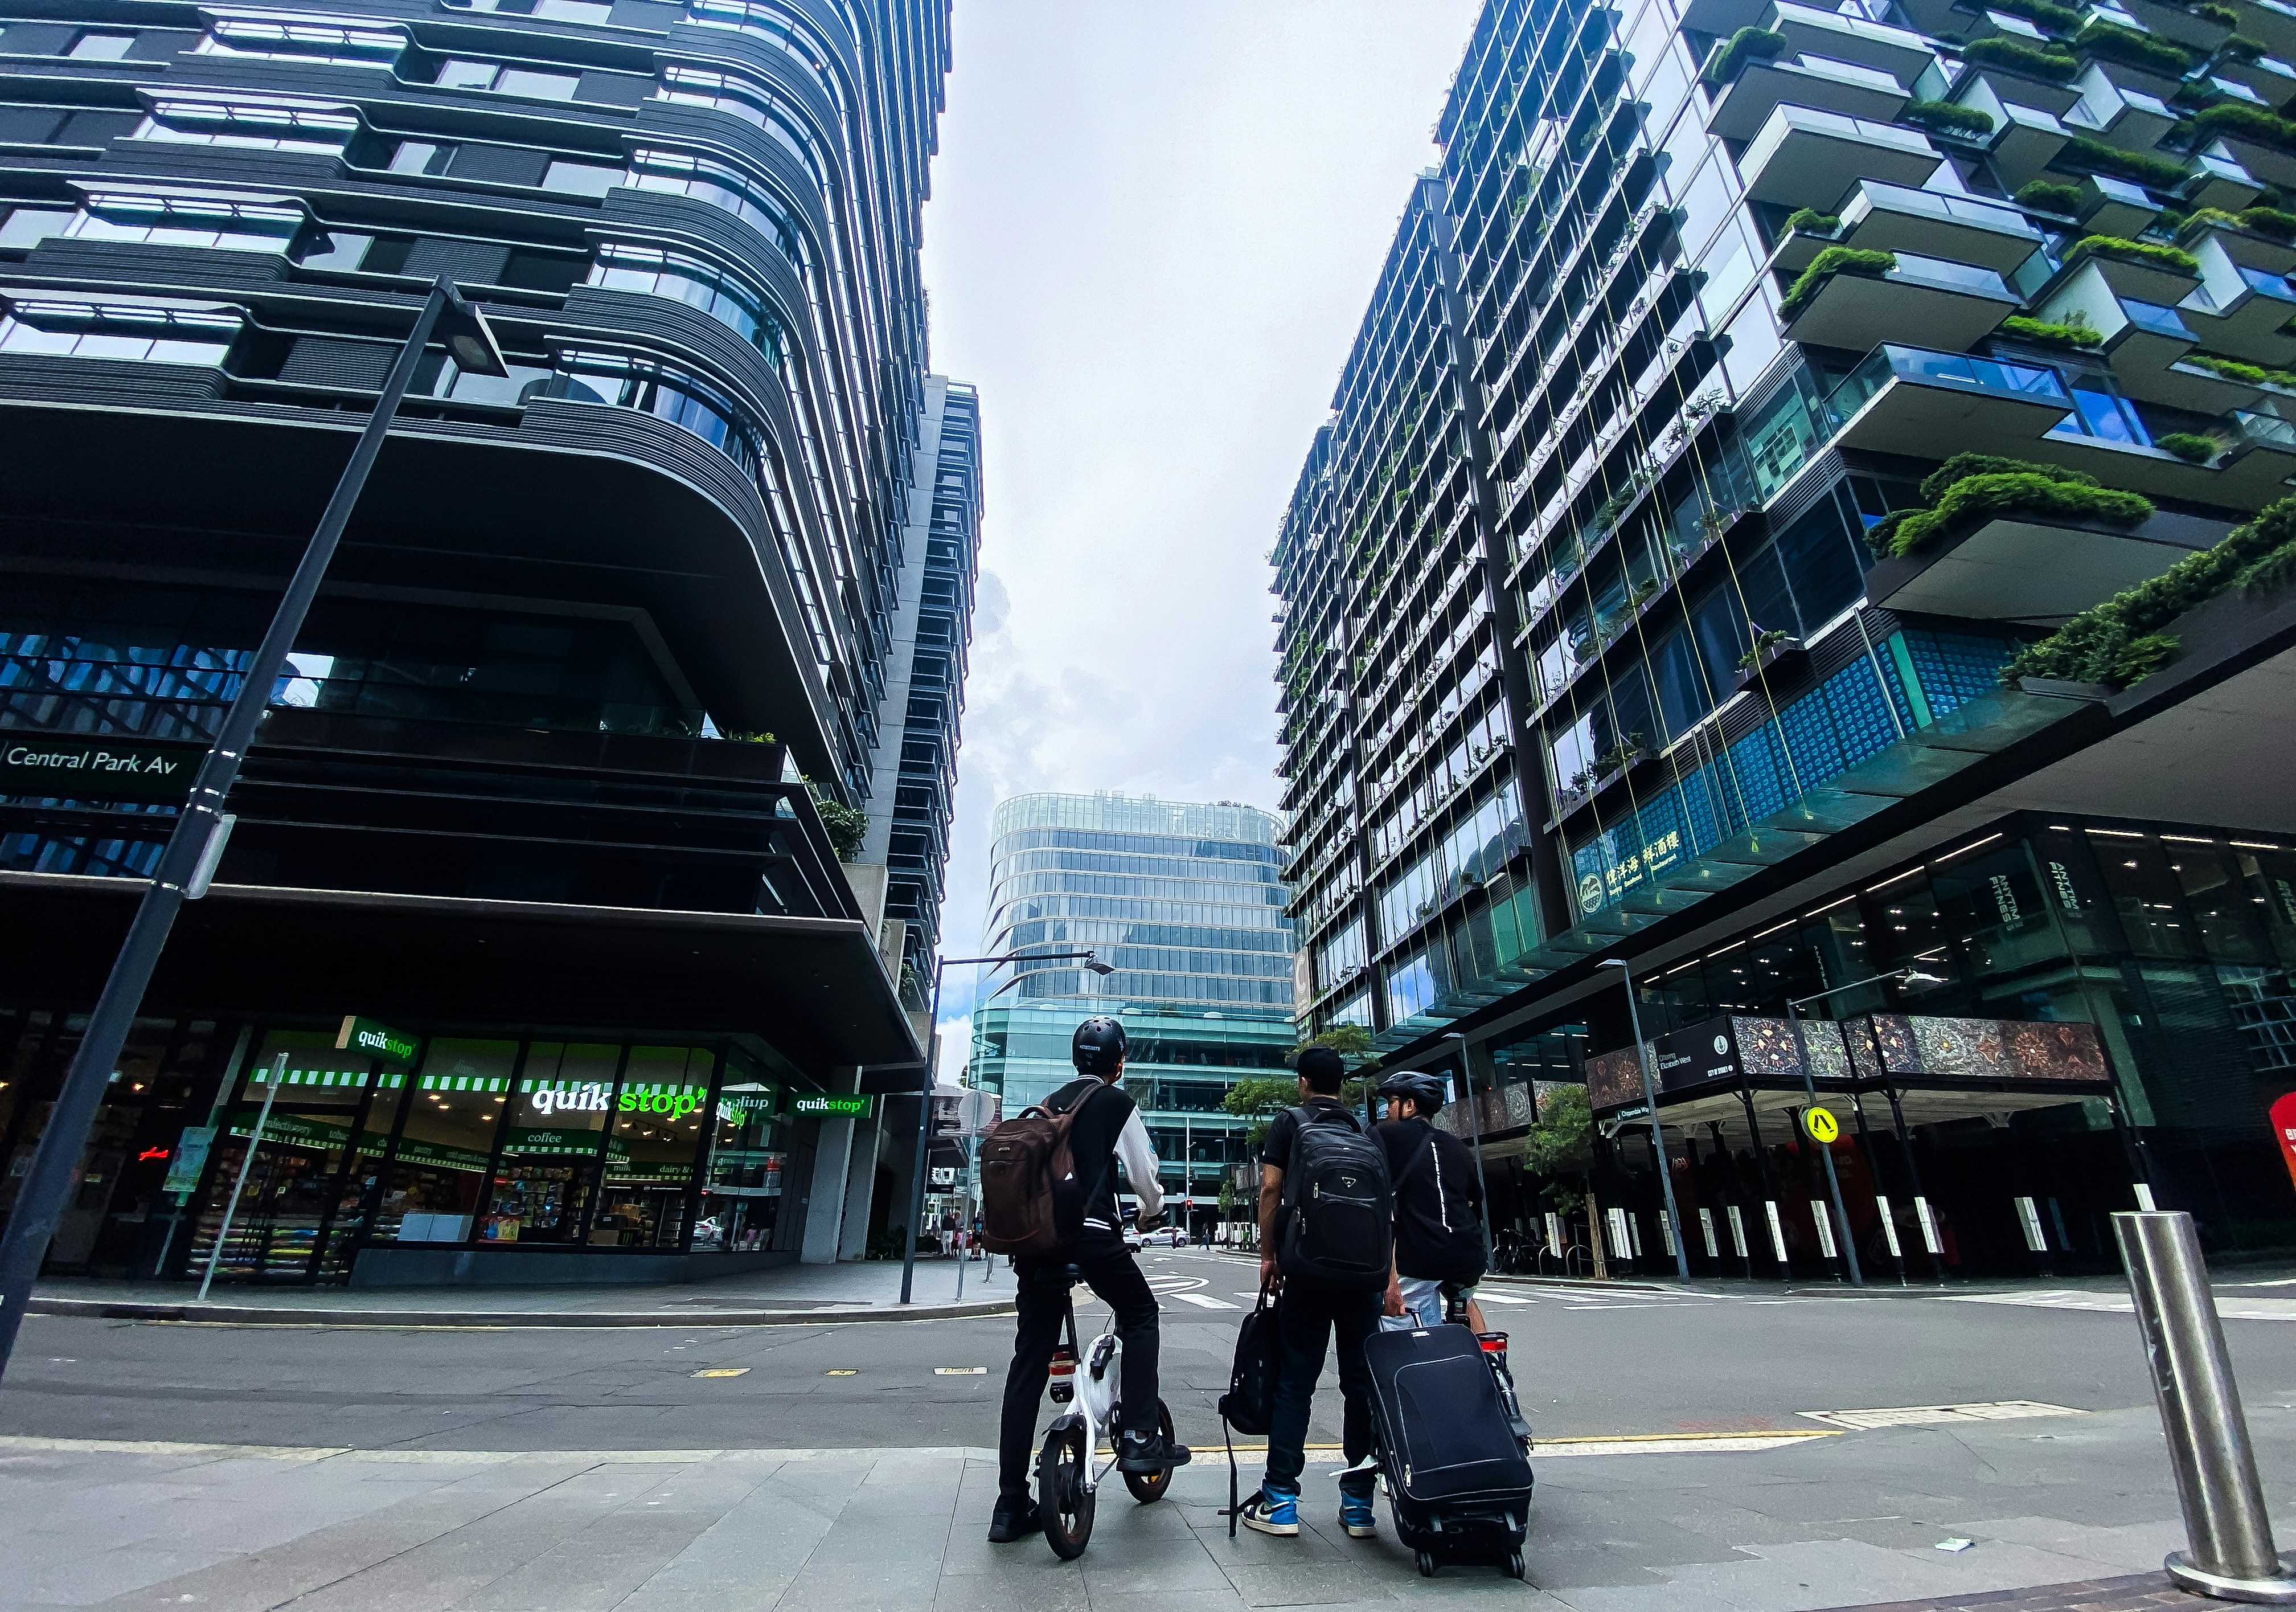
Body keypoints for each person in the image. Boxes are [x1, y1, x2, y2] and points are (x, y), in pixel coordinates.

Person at [988, 1015, 1192, 1544]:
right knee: (1142, 1312)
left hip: (1037, 1245)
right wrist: (1151, 1213)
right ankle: (1143, 1434)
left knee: (1028, 1364)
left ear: (1077, 1061)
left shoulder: (1050, 1104)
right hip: (1093, 1237)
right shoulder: (1115, 1104)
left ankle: (1010, 1505)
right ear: (1119, 1062)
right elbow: (1144, 1176)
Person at [1238, 1045, 1383, 1541]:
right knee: (1361, 1388)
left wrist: (1269, 1255)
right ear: (1341, 1084)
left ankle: (1281, 1501)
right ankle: (1359, 1506)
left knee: (1295, 1383)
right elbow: (1387, 1209)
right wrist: (1388, 1280)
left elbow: (1271, 1192)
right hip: (1363, 1277)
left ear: (1303, 1083)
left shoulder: (1290, 1123)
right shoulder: (1366, 1130)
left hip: (1308, 1272)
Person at [1374, 1070, 1489, 1332]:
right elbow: (1474, 1198)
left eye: (1391, 1102)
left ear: (1409, 1105)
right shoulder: (1457, 1146)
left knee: (1406, 1331)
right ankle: (1492, 1366)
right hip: (1467, 1255)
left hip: (1418, 1257)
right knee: (1465, 1302)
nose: (1387, 1110)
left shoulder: (1385, 1137)